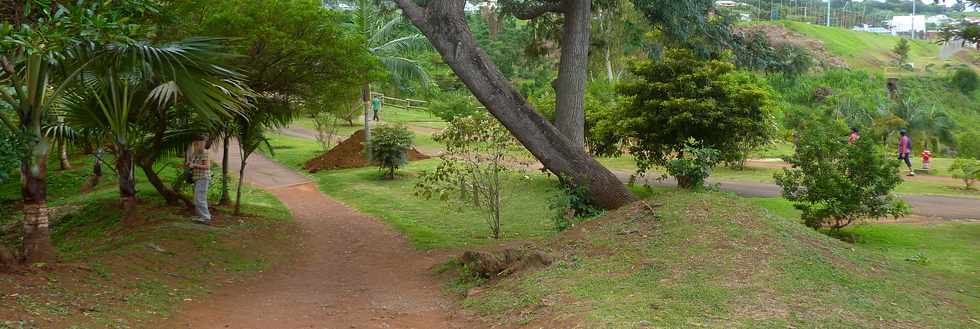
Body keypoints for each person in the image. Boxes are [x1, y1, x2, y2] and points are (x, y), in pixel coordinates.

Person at [188, 138, 212, 224]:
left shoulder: (205, 152)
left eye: (198, 144)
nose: (196, 145)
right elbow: (192, 163)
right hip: (197, 178)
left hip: (203, 178)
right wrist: (190, 164)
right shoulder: (196, 153)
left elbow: (207, 167)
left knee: (200, 198)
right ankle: (200, 216)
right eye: (195, 144)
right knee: (196, 198)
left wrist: (194, 165)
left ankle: (205, 217)